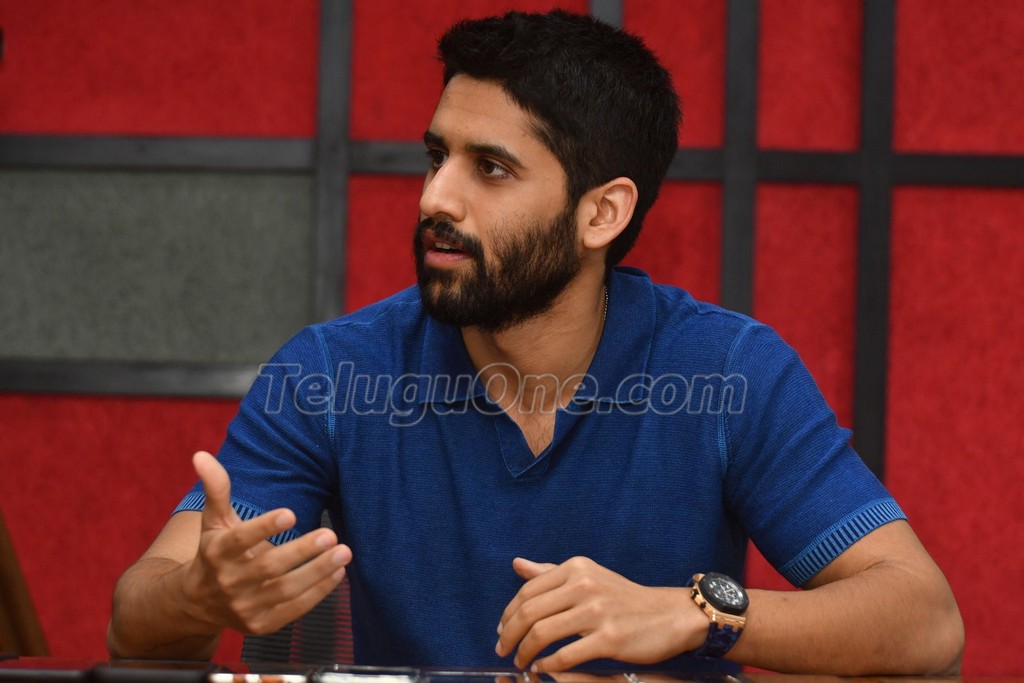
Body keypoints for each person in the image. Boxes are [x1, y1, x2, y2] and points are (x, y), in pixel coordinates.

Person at [107, 10, 963, 675]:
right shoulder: (333, 372)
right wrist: (200, 593)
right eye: (436, 156)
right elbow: (132, 617)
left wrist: (696, 611)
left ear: (602, 213)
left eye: (491, 168)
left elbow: (926, 620)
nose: (435, 198)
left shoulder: (728, 370)